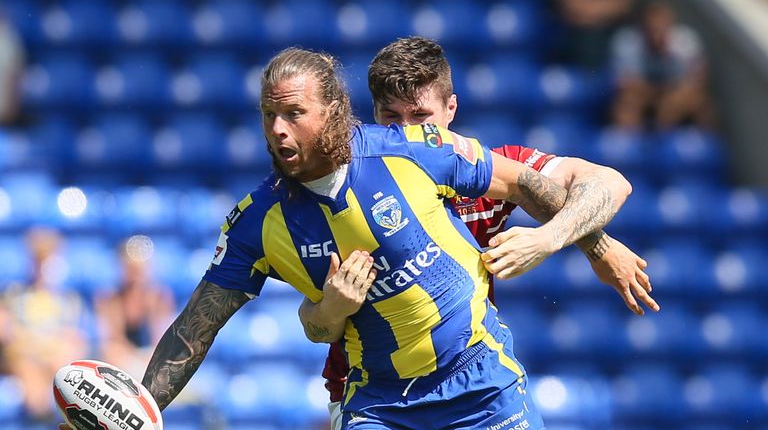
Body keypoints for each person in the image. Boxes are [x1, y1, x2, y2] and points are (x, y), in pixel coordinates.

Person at [140, 47, 633, 429]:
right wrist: (140, 408)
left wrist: (590, 245)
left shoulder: (429, 153)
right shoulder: (259, 221)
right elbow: (196, 329)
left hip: (480, 382)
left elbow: (580, 183)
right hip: (374, 399)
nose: (277, 130)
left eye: (293, 114)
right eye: (270, 115)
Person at [306, 36, 659, 430]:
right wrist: (332, 307)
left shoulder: (485, 171)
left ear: (451, 108)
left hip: (471, 388)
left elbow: (609, 182)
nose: (406, 135)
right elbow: (315, 323)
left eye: (420, 117)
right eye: (391, 118)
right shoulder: (338, 191)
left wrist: (557, 239)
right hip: (374, 400)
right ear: (373, 113)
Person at [2, 227, 88, 423]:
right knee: (28, 370)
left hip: (52, 360)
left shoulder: (68, 300)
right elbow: (9, 335)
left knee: (63, 367)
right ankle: (40, 416)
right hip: (25, 358)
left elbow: (74, 338)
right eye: (38, 260)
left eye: (48, 260)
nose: (43, 267)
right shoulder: (14, 294)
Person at [611, 0, 714, 129]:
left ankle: (698, 144)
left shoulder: (687, 41)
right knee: (626, 105)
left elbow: (698, 80)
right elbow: (623, 83)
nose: (656, 35)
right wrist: (655, 93)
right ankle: (629, 146)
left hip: (675, 93)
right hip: (643, 94)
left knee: (700, 103)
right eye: (652, 29)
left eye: (661, 28)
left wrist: (674, 95)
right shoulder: (628, 42)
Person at [95, 236, 175, 379]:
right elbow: (113, 339)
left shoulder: (159, 296)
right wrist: (135, 359)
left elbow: (161, 340)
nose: (135, 276)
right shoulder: (110, 298)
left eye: (138, 270)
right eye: (131, 269)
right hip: (125, 357)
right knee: (112, 353)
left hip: (149, 356)